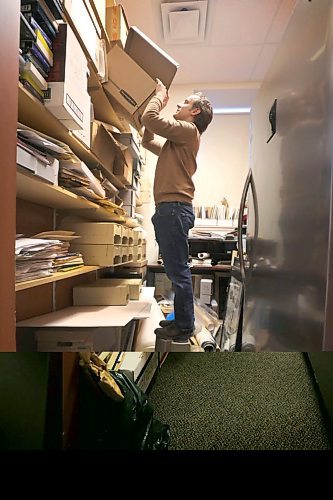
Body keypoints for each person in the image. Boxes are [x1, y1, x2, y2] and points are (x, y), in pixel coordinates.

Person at [141, 79, 213, 342]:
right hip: (170, 210)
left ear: (194, 112)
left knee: (178, 272)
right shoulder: (176, 145)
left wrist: (160, 96)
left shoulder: (188, 131)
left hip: (173, 209)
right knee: (176, 270)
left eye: (185, 103)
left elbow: (150, 117)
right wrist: (146, 110)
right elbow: (148, 140)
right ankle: (183, 321)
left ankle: (184, 326)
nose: (180, 105)